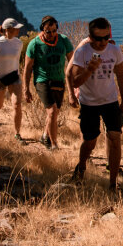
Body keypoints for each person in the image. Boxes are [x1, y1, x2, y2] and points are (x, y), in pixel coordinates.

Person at [67, 17, 123, 191]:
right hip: (89, 104)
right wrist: (89, 69)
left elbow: (120, 75)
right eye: (99, 38)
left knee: (115, 138)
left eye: (106, 37)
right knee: (90, 142)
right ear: (90, 37)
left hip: (110, 101)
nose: (103, 42)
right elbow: (75, 81)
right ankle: (81, 167)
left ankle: (113, 183)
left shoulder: (114, 50)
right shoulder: (82, 52)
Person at [23, 15, 74, 149]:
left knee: (55, 113)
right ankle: (53, 144)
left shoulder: (63, 41)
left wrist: (75, 84)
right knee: (52, 111)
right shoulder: (34, 44)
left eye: (54, 31)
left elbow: (72, 62)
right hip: (42, 80)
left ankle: (45, 136)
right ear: (42, 30)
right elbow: (27, 68)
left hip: (59, 80)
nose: (51, 34)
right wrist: (26, 89)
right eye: (48, 31)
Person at [0, 18, 25, 138]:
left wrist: (19, 77)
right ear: (8, 30)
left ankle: (17, 133)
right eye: (16, 28)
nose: (18, 30)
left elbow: (17, 61)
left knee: (17, 105)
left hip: (14, 77)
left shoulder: (19, 43)